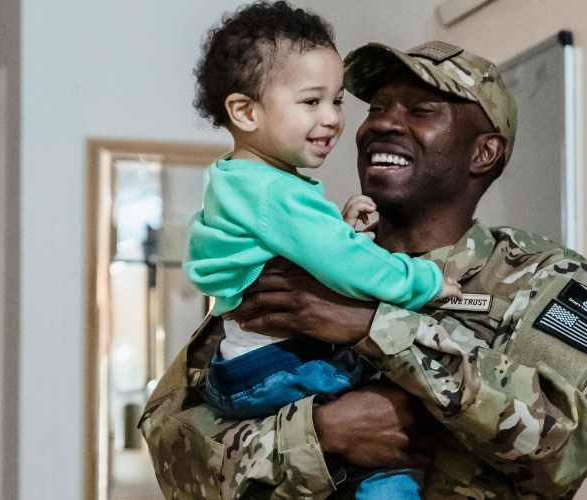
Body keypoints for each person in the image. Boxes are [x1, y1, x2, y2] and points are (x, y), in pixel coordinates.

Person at [141, 39, 587, 500]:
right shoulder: (299, 263)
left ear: (484, 152)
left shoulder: (548, 276)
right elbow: (172, 451)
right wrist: (321, 437)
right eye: (375, 109)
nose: (381, 125)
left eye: (420, 111)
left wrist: (374, 326)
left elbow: (565, 450)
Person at [182, 3, 461, 499]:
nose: (333, 119)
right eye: (312, 102)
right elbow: (347, 267)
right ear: (245, 111)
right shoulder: (276, 194)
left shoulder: (237, 182)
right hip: (279, 366)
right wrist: (427, 282)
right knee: (389, 443)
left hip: (242, 368)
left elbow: (311, 253)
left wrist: (338, 231)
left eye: (337, 101)